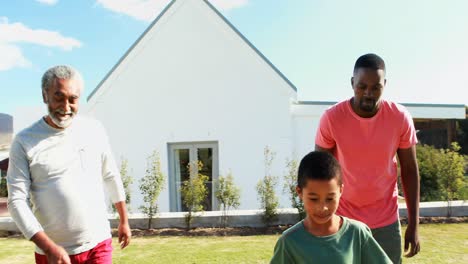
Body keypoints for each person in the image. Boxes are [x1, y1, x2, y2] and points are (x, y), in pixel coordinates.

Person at [7, 65, 131, 264]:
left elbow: (111, 174)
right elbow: (16, 201)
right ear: (44, 95)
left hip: (98, 244)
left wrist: (124, 220)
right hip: (52, 253)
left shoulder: (94, 130)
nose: (66, 107)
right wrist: (48, 247)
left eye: (72, 99)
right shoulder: (24, 141)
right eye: (59, 97)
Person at [315, 53, 420, 263]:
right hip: (342, 221)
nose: (368, 93)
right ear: (352, 82)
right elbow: (320, 172)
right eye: (362, 86)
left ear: (385, 85)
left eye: (376, 87)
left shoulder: (399, 117)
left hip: (386, 221)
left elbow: (409, 170)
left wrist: (414, 224)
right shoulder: (332, 118)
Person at [271, 151, 392, 263]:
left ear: (341, 191)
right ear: (299, 192)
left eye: (329, 199)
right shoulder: (289, 242)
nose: (322, 207)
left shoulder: (357, 233)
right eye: (313, 199)